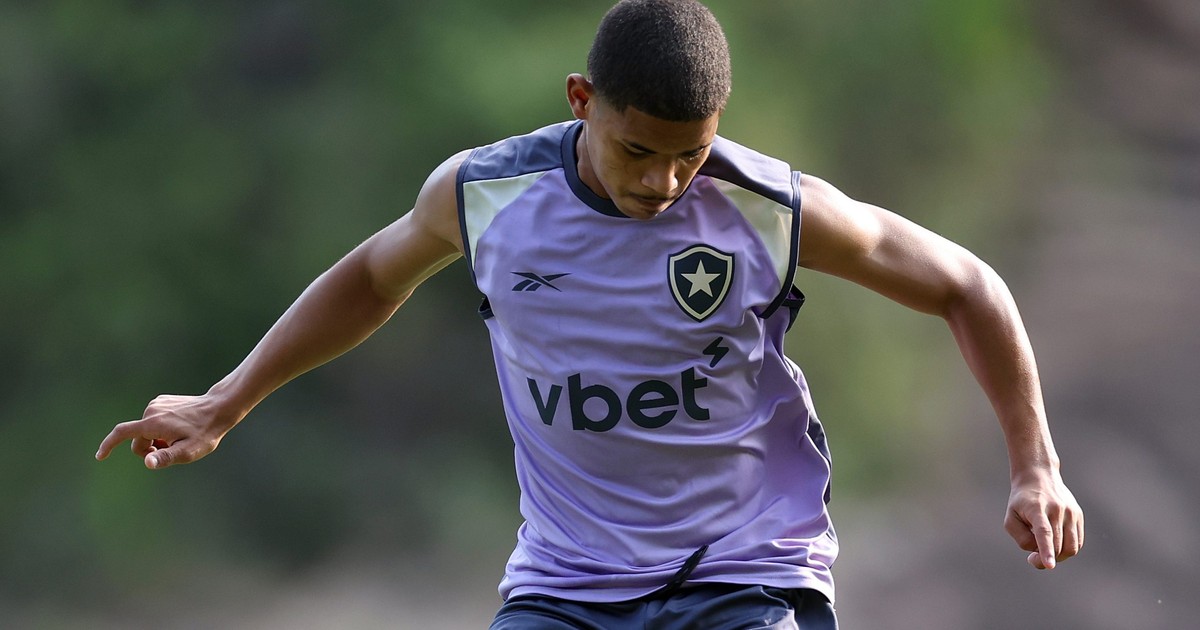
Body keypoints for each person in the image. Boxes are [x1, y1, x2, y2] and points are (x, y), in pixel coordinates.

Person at [95, 1, 1084, 627]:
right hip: (567, 583)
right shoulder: (485, 197)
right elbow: (370, 280)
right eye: (637, 151)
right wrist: (225, 402)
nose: (663, 182)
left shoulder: (765, 210)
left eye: (688, 155)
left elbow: (967, 285)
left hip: (744, 569)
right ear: (582, 100)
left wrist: (1034, 465)